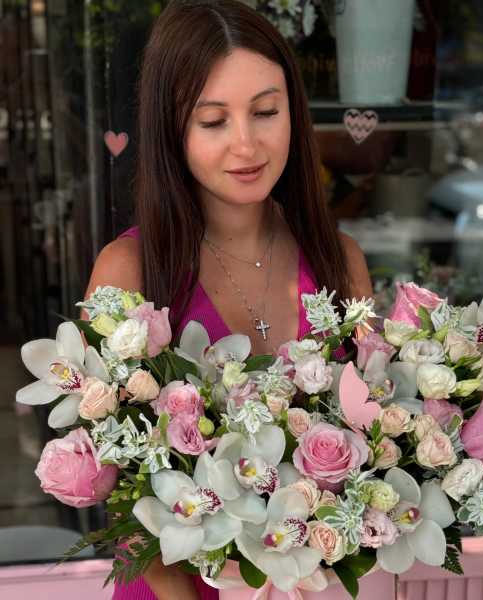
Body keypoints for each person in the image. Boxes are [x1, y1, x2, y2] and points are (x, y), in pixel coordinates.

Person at [83, 1, 379, 598]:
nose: (247, 145)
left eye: (266, 112)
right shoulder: (128, 270)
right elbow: (122, 496)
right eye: (213, 121)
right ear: (172, 130)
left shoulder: (339, 261)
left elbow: (376, 462)